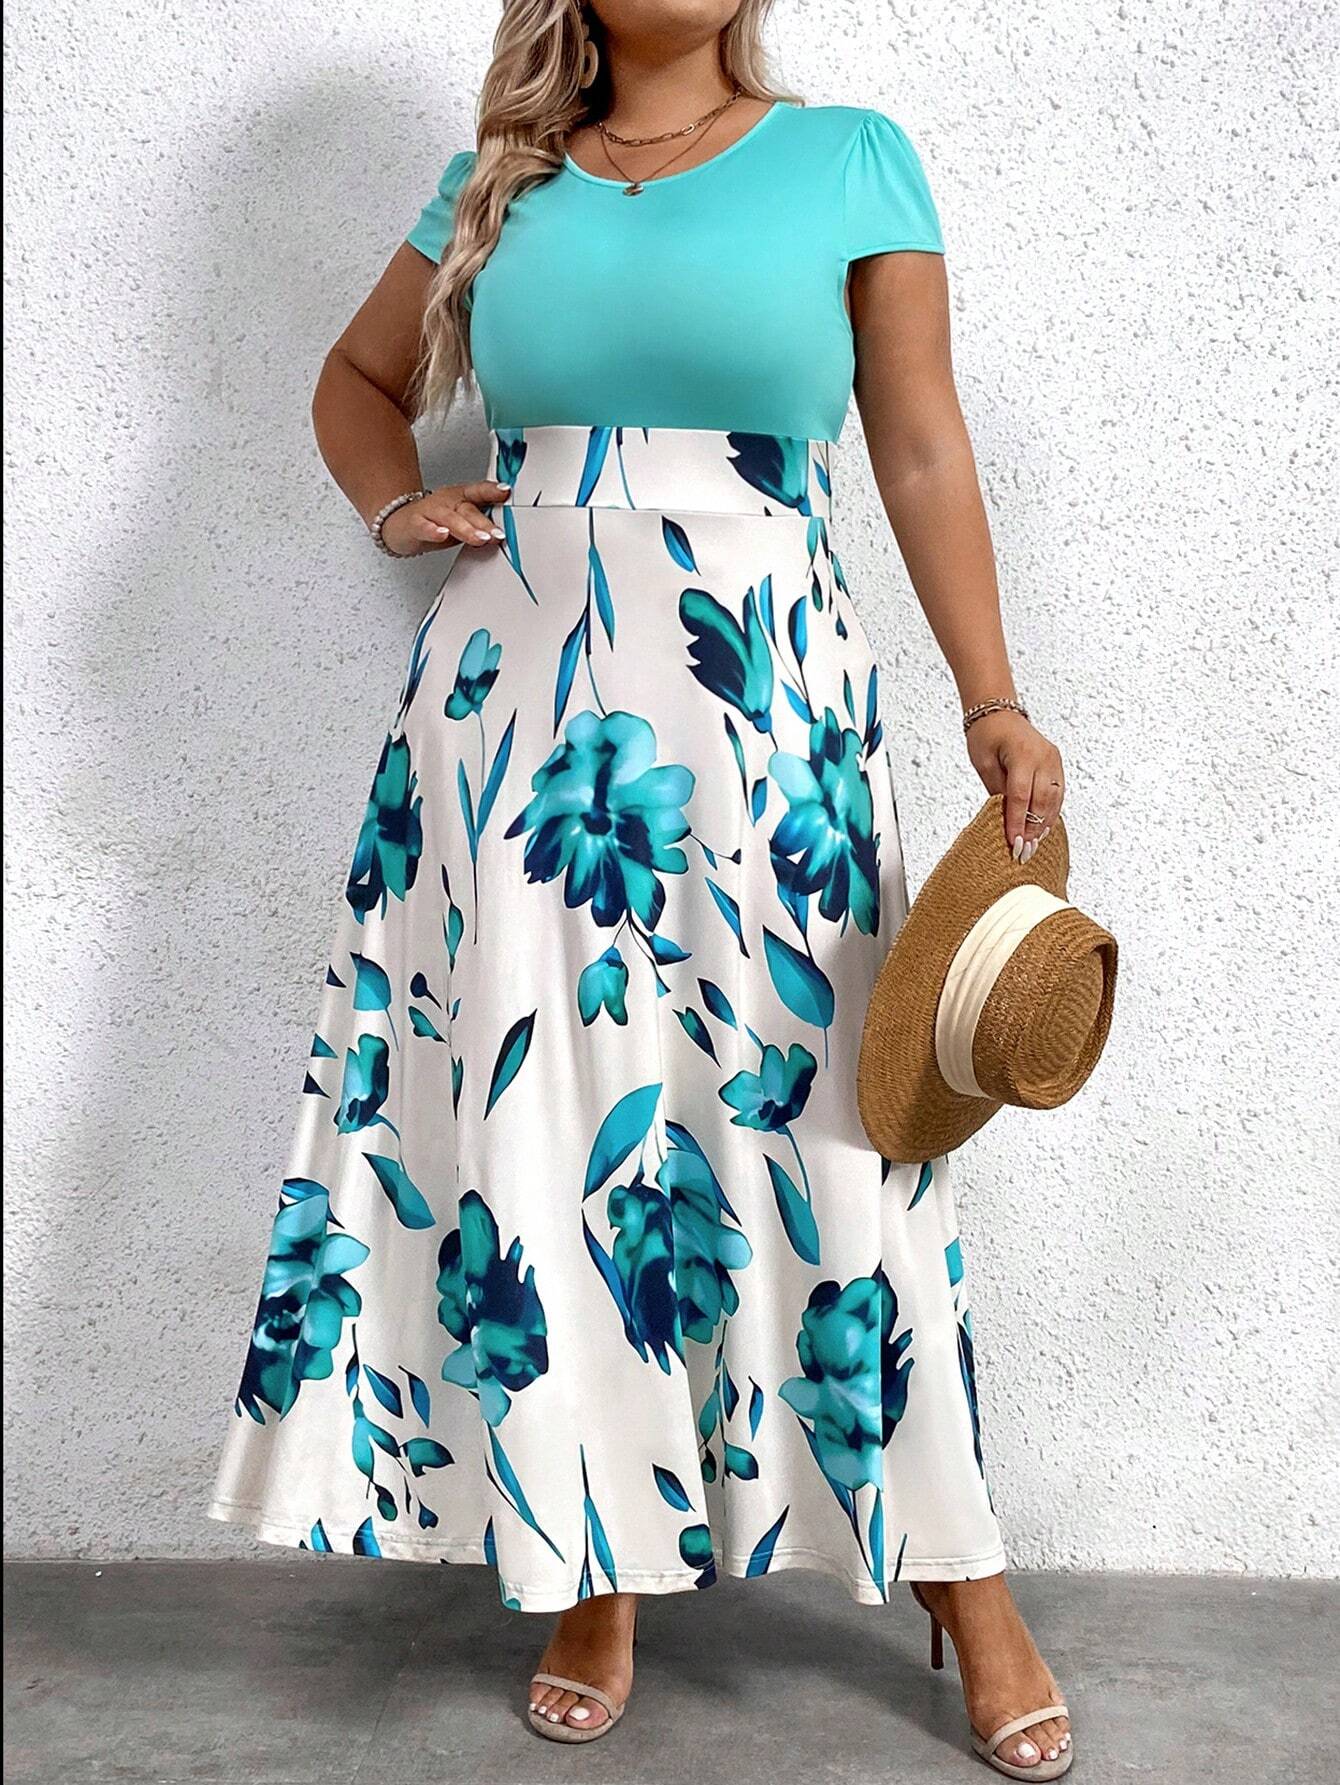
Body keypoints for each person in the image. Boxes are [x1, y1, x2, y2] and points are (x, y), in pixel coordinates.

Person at [209, 2, 1072, 1776]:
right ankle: (590, 1560)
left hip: (766, 707)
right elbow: (354, 382)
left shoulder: (850, 161)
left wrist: (991, 698)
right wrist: (394, 506)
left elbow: (919, 447)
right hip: (513, 723)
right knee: (560, 1116)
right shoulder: (499, 184)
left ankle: (960, 1565)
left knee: (837, 1125)